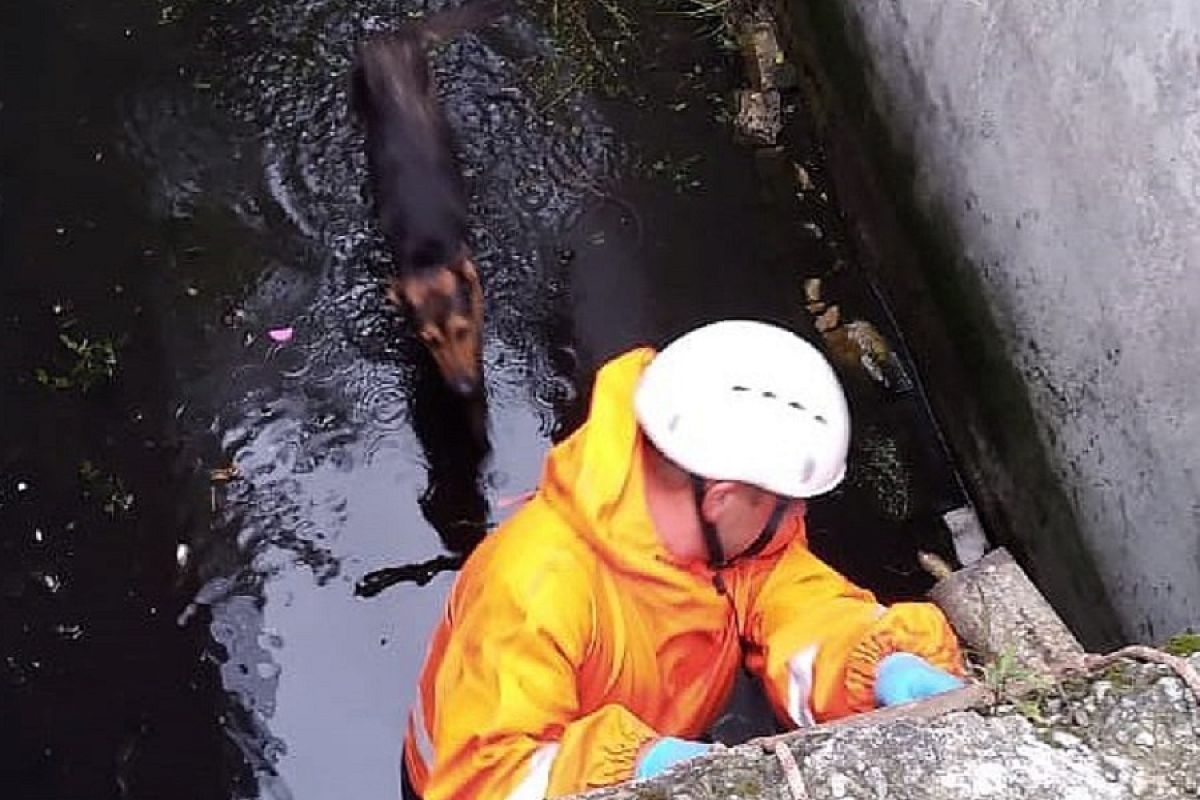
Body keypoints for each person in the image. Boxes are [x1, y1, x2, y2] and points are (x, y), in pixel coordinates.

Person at [401, 320, 965, 800]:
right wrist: (635, 771)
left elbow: (802, 609)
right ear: (720, 497)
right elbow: (488, 778)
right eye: (785, 501)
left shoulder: (733, 541)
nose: (795, 517)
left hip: (651, 741)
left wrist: (881, 666)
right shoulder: (533, 588)